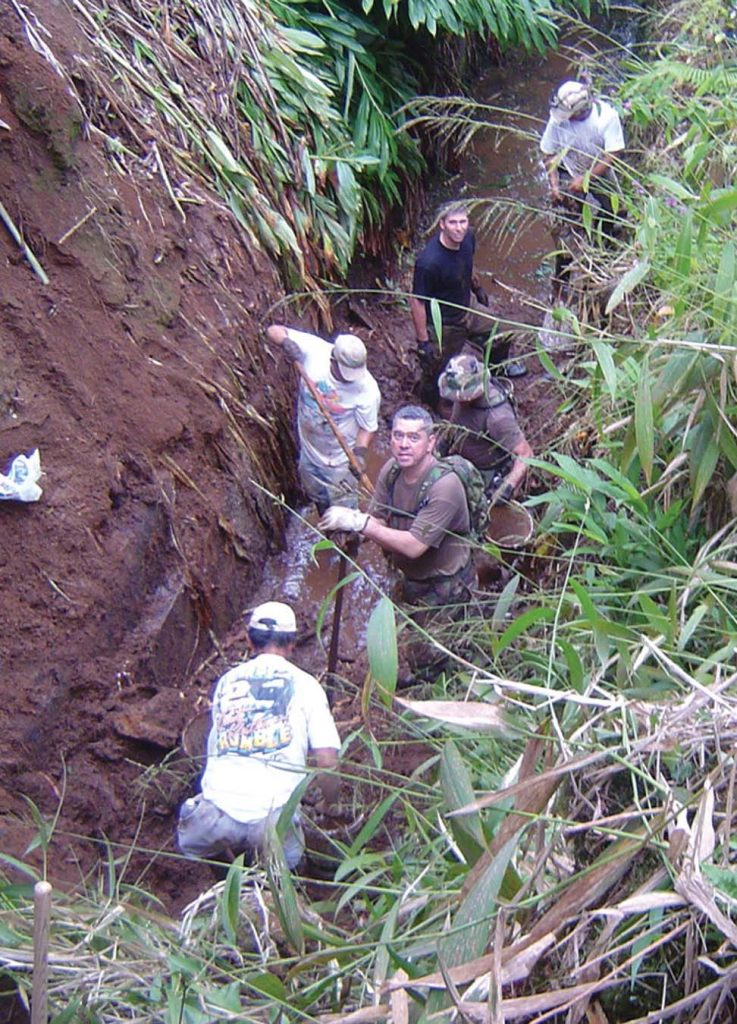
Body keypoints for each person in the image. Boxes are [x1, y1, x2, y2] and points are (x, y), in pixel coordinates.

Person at [177, 601, 341, 869]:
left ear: (248, 641)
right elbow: (326, 759)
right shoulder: (308, 686)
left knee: (199, 847)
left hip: (215, 817)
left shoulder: (226, 682)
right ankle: (285, 893)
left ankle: (224, 877)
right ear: (291, 645)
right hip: (274, 822)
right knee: (289, 864)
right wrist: (330, 801)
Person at [319, 405, 475, 621]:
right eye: (398, 435)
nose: (403, 445)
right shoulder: (392, 470)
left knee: (438, 644)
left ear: (430, 443)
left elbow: (414, 546)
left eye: (413, 438)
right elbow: (379, 517)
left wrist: (360, 522)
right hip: (407, 575)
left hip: (443, 585)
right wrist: (353, 533)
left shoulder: (445, 486)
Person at [409, 203, 526, 408]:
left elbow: (466, 264)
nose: (459, 228)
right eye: (453, 223)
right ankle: (430, 403)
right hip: (444, 323)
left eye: (463, 221)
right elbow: (417, 301)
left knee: (504, 332)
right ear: (442, 225)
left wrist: (477, 288)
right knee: (437, 370)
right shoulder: (429, 262)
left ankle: (497, 369)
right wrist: (423, 342)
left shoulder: (468, 238)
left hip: (468, 307)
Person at [265, 324, 381, 514]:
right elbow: (273, 330)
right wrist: (286, 342)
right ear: (333, 360)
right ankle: (328, 529)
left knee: (345, 514)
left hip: (341, 461)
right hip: (310, 453)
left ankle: (350, 542)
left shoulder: (367, 390)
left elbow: (367, 428)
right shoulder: (314, 351)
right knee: (319, 500)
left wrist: (359, 454)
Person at [539, 81, 625, 297]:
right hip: (569, 169)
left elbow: (613, 154)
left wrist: (587, 178)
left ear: (581, 110)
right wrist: (555, 184)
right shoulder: (559, 117)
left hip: (598, 170)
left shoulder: (606, 116)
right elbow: (548, 153)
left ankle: (600, 255)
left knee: (610, 213)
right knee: (565, 230)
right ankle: (560, 284)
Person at [437, 354, 533, 505]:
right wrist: (440, 449)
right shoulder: (461, 399)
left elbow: (525, 455)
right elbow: (454, 424)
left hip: (487, 473)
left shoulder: (497, 418)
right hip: (463, 460)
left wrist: (506, 488)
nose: (456, 400)